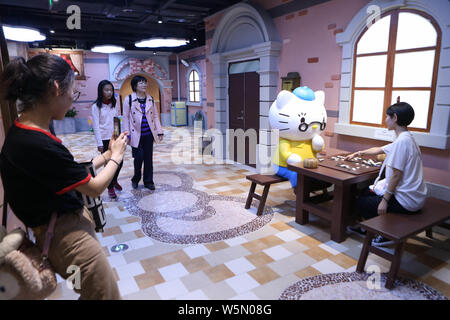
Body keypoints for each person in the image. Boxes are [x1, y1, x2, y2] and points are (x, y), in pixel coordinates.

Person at [0, 54, 128, 299]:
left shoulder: (23, 132)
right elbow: (94, 187)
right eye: (73, 91)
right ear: (56, 88)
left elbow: (67, 171)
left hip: (56, 230)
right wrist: (117, 157)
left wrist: (105, 155)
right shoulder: (38, 142)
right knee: (105, 295)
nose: (72, 99)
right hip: (67, 238)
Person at [345, 102, 427, 247]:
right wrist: (358, 153)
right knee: (365, 191)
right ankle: (368, 228)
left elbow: (396, 175)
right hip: (414, 196)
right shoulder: (406, 138)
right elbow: (379, 149)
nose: (385, 120)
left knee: (359, 202)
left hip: (407, 201)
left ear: (394, 117)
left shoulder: (402, 142)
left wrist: (385, 200)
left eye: (387, 117)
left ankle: (385, 233)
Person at [122, 75, 163, 190]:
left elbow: (155, 116)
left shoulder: (150, 98)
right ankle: (136, 178)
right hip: (135, 135)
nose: (144, 84)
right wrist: (127, 133)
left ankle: (148, 181)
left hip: (148, 134)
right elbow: (125, 118)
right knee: (138, 158)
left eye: (145, 82)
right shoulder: (129, 99)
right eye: (141, 83)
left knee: (148, 159)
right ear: (135, 86)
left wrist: (159, 131)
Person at [91, 80, 123, 199]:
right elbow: (96, 126)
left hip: (114, 137)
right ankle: (110, 187)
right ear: (101, 91)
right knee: (108, 163)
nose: (109, 92)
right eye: (106, 90)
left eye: (111, 90)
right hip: (104, 139)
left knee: (120, 162)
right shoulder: (96, 106)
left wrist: (119, 136)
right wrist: (99, 143)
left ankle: (113, 180)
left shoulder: (114, 104)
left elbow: (116, 120)